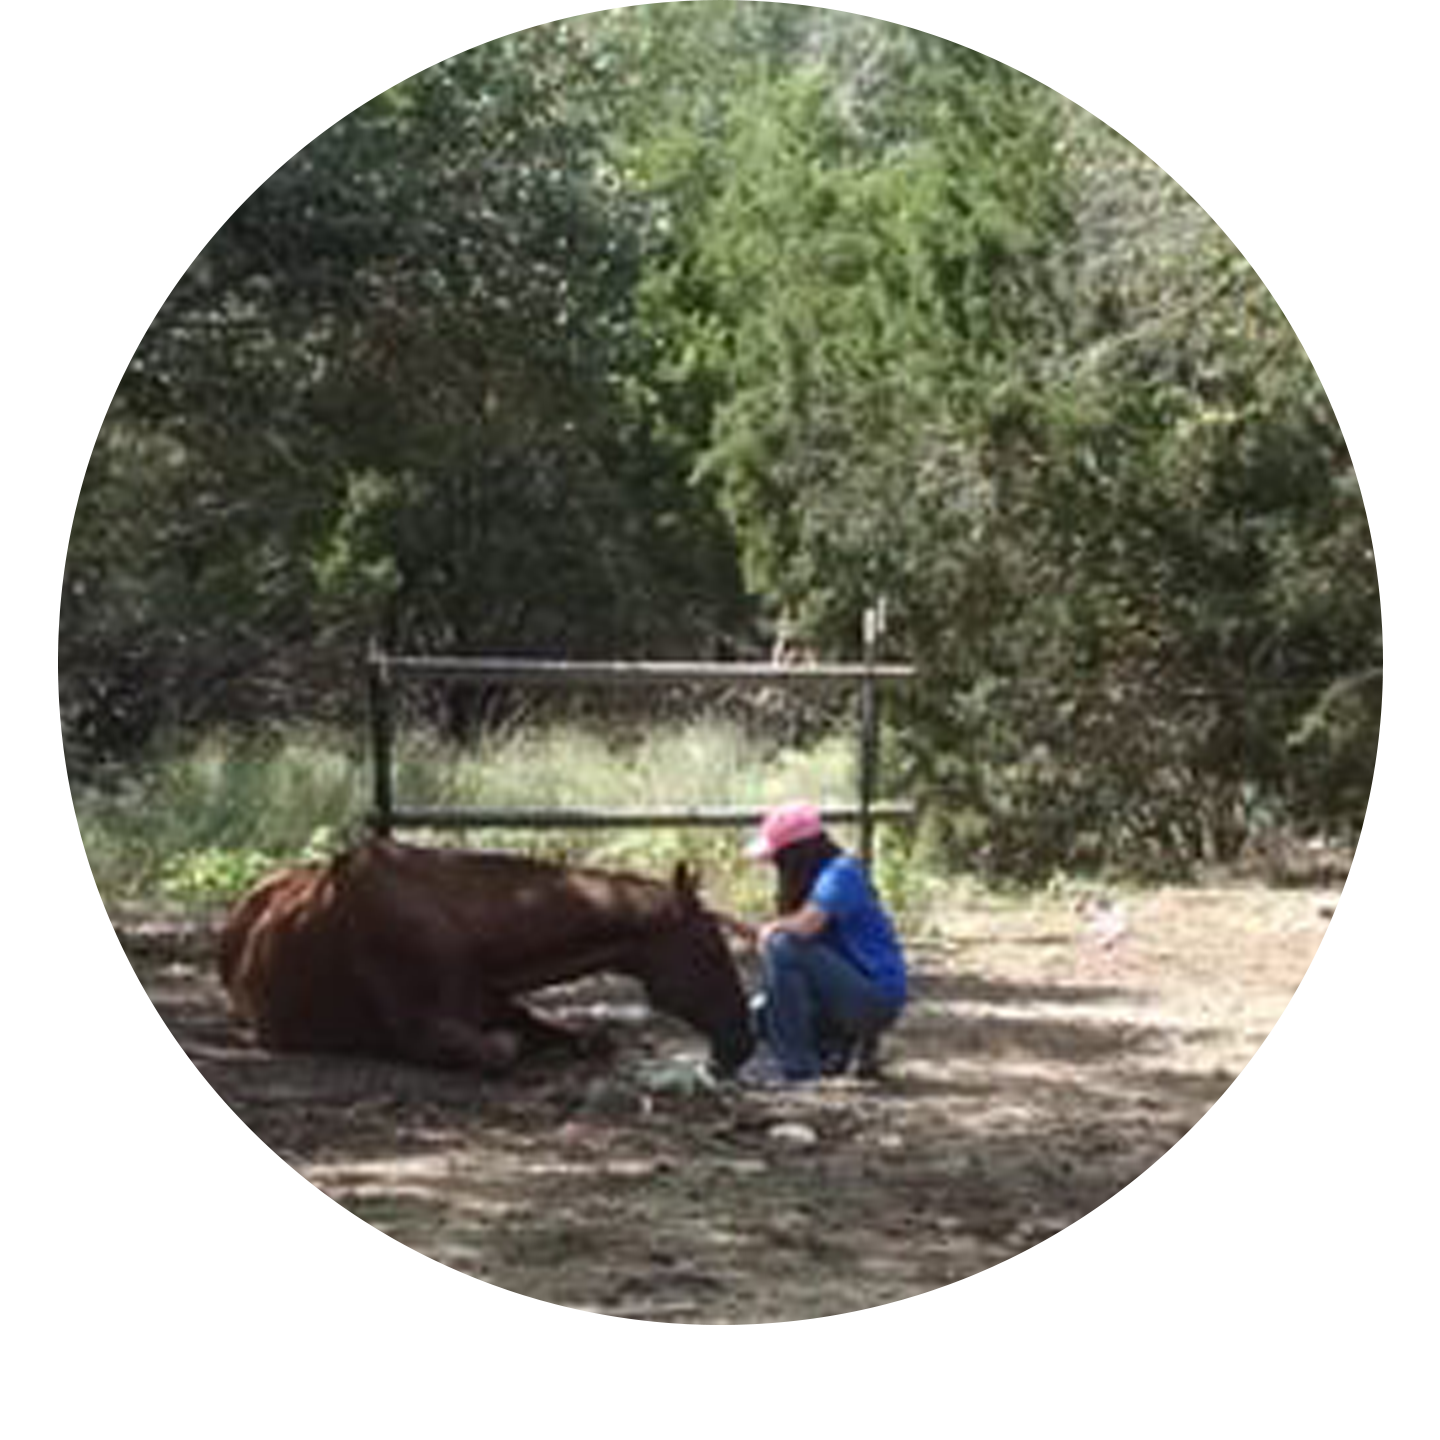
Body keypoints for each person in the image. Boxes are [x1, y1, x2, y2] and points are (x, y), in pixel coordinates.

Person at [739, 800, 907, 1083]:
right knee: (761, 1014)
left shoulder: (840, 874)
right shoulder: (815, 883)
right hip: (845, 991)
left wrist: (771, 930)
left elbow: (804, 928)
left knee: (782, 947)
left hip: (873, 997)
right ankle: (834, 1051)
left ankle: (798, 1069)